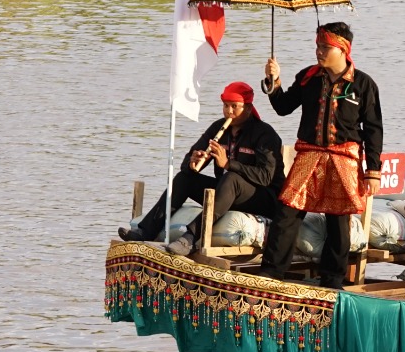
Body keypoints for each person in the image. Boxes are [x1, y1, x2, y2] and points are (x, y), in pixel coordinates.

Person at [257, 23, 384, 288]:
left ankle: (332, 279)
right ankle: (272, 273)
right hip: (310, 154)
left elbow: (373, 130)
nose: (319, 51)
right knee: (287, 211)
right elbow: (282, 107)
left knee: (339, 221)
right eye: (317, 46)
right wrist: (274, 81)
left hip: (344, 158)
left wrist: (373, 171)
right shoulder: (308, 78)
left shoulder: (363, 84)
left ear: (343, 49)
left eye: (325, 47)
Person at [120, 82, 283, 255]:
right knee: (185, 178)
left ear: (248, 108)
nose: (229, 111)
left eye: (235, 106)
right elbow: (189, 161)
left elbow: (266, 176)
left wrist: (228, 164)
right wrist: (193, 163)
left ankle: (189, 239)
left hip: (264, 198)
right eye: (226, 106)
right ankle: (146, 231)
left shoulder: (265, 134)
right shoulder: (218, 128)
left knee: (231, 178)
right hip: (227, 193)